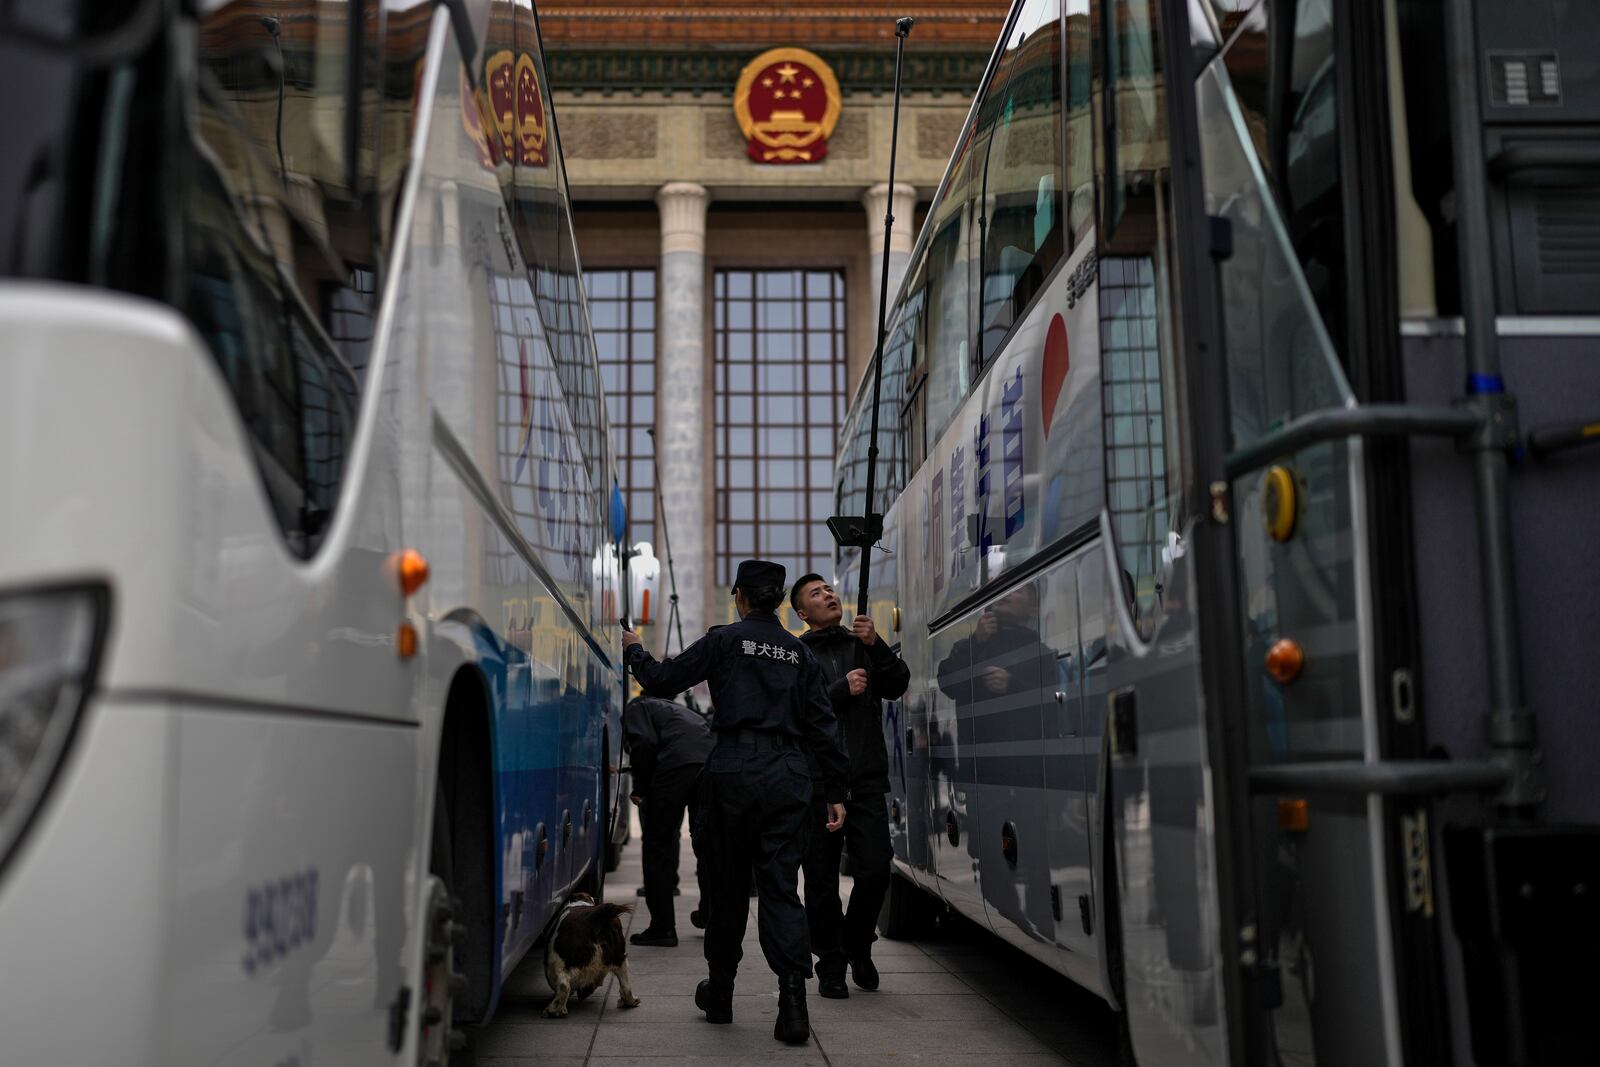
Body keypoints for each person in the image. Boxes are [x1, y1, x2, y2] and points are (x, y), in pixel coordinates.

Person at [621, 559, 848, 1046]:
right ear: (780, 600)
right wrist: (835, 792)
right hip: (788, 776)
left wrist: (636, 651)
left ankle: (720, 994)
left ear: (741, 597)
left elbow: (663, 680)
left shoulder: (725, 640)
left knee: (726, 887)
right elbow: (823, 728)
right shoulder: (798, 652)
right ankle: (792, 1008)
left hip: (732, 774)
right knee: (781, 888)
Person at [789, 574, 910, 998]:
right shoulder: (797, 654)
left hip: (866, 780)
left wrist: (876, 644)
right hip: (819, 785)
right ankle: (831, 963)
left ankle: (858, 945)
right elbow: (793, 712)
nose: (829, 596)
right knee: (820, 880)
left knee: (876, 869)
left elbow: (897, 684)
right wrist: (840, 691)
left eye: (829, 589)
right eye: (816, 594)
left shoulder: (861, 642)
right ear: (802, 613)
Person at [622, 695, 714, 947]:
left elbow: (643, 742)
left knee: (657, 845)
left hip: (675, 767)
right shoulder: (679, 711)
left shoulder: (635, 708)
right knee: (706, 844)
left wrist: (640, 786)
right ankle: (709, 915)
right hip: (710, 765)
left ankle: (662, 927)